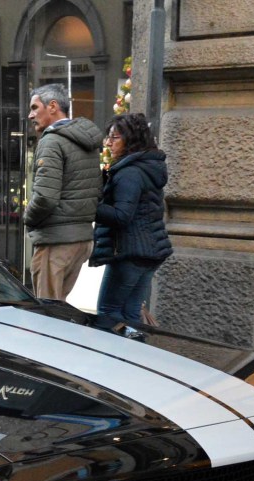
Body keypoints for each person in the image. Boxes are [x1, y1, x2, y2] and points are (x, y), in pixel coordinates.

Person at [90, 113, 173, 339]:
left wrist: (90, 205)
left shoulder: (129, 173)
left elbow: (121, 215)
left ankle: (112, 367)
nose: (108, 143)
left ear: (131, 139)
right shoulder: (147, 167)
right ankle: (134, 363)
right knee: (130, 314)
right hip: (149, 251)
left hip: (130, 252)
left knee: (108, 313)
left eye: (114, 138)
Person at [24, 83, 104, 301]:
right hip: (81, 239)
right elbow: (96, 189)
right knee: (58, 309)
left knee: (47, 315)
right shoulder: (85, 140)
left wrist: (27, 219)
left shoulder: (52, 140)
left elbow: (45, 197)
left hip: (56, 240)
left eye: (34, 108)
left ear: (52, 106)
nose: (30, 115)